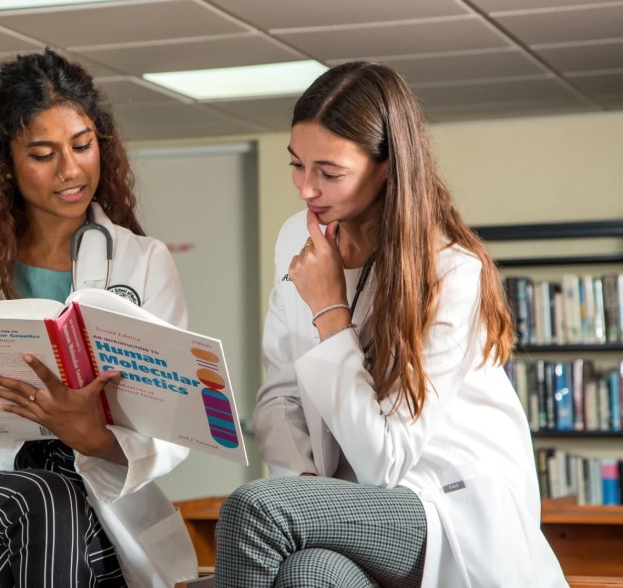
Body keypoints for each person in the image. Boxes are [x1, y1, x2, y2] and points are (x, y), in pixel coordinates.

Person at [214, 61, 567, 587]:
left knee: (259, 508)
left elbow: (385, 461)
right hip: (352, 504)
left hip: (435, 506)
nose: (306, 189)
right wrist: (307, 486)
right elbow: (280, 395)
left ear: (387, 167)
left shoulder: (451, 271)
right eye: (296, 164)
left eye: (328, 172)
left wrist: (329, 307)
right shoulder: (296, 239)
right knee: (309, 574)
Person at [0, 49, 198, 588]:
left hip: (99, 485)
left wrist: (95, 439)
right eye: (43, 154)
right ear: (4, 161)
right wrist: (30, 407)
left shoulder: (143, 261)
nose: (70, 169)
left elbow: (176, 419)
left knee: (24, 548)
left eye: (83, 146)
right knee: (44, 498)